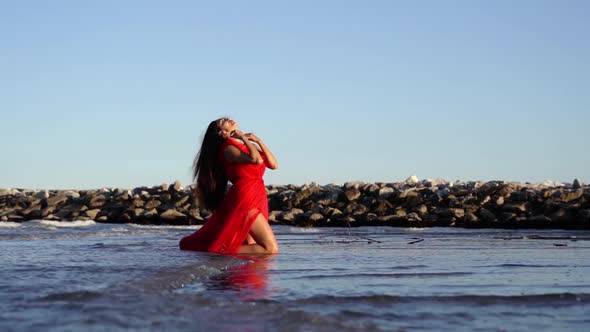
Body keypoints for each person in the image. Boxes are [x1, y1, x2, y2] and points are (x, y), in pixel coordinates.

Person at [179, 117, 280, 255]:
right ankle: (219, 251)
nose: (228, 118)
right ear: (221, 132)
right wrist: (243, 137)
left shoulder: (244, 146)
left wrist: (258, 141)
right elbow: (256, 160)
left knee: (252, 246)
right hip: (245, 195)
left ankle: (242, 275)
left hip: (257, 193)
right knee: (270, 248)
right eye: (222, 121)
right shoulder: (228, 149)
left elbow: (274, 165)